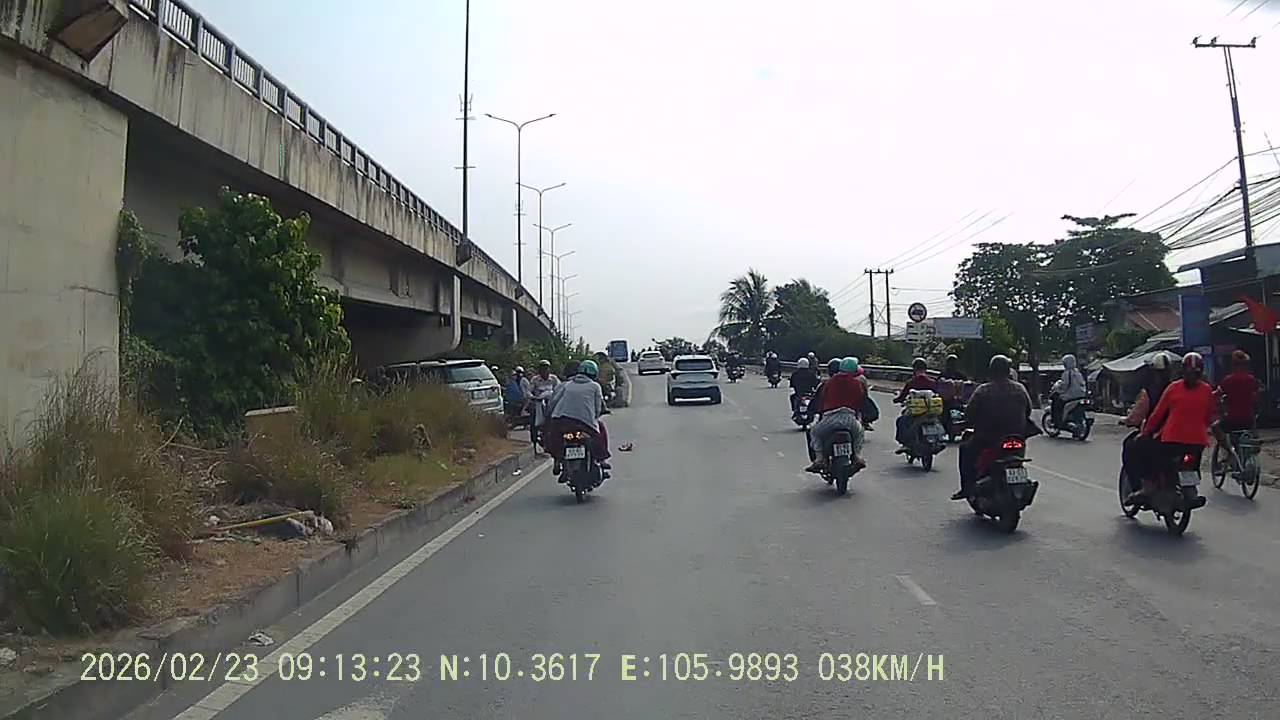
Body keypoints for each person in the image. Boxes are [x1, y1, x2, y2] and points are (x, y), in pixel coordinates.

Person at [1126, 352, 1215, 505]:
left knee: (1145, 451)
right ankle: (1187, 488)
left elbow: (1157, 414)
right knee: (1192, 463)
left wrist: (1145, 432)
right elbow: (1209, 416)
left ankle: (1149, 486)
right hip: (1197, 442)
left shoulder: (1173, 388)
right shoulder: (1206, 390)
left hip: (1172, 441)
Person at [953, 354, 1034, 500]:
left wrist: (965, 422)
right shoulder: (1020, 388)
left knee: (965, 449)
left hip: (988, 438)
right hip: (1016, 438)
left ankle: (967, 488)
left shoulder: (983, 390)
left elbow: (970, 413)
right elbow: (1028, 410)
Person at [544, 359, 612, 478]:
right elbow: (597, 408)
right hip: (585, 424)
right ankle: (601, 459)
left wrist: (549, 416)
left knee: (555, 439)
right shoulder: (595, 386)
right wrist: (594, 418)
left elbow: (554, 401)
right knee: (599, 434)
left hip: (562, 422)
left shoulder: (567, 385)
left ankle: (558, 461)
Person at [805, 357, 867, 473]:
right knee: (860, 433)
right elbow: (860, 402)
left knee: (814, 432)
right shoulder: (857, 383)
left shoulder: (828, 382)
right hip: (850, 418)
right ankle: (857, 457)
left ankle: (819, 459)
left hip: (830, 418)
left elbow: (821, 400)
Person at [894, 358, 938, 447]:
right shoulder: (932, 382)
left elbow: (902, 397)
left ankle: (905, 444)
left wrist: (896, 400)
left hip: (915, 412)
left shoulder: (911, 382)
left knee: (901, 421)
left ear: (914, 369)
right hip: (929, 411)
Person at [528, 360, 561, 452]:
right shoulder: (535, 380)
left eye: (546, 368)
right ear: (539, 370)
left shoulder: (554, 379)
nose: (544, 370)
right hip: (539, 404)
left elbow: (559, 389)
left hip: (551, 404)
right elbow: (528, 391)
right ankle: (534, 442)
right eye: (542, 368)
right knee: (533, 421)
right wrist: (533, 397)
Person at [1050, 354, 1088, 426]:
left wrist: (1058, 389)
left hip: (1070, 395)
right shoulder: (1078, 373)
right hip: (1081, 395)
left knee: (1056, 401)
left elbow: (1064, 385)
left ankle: (1058, 421)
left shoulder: (1066, 373)